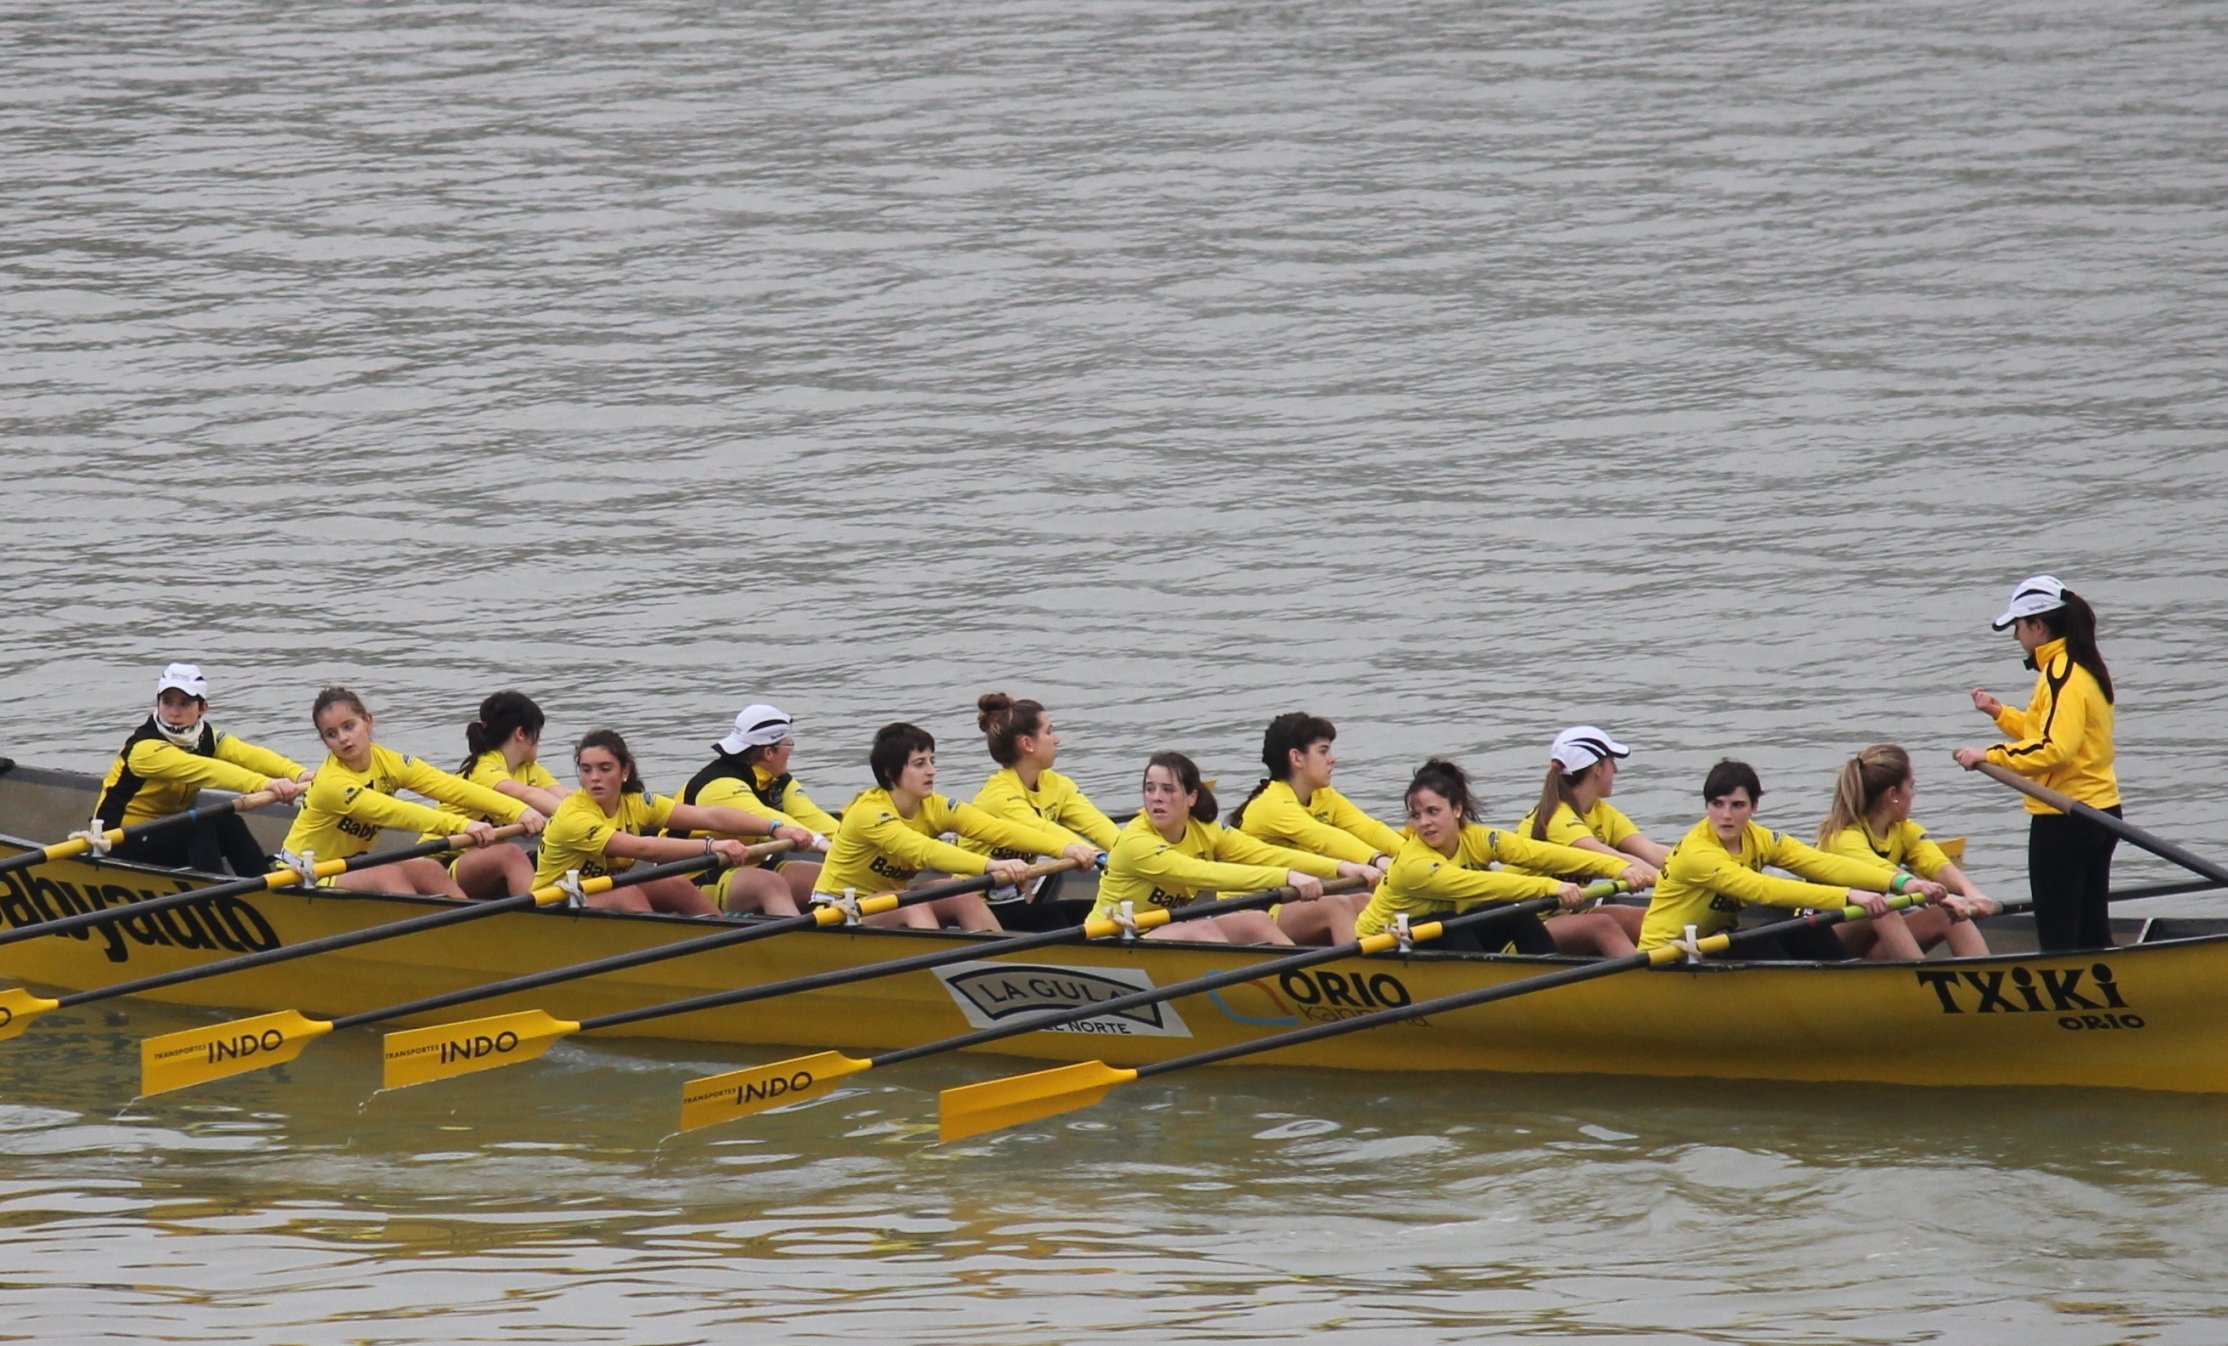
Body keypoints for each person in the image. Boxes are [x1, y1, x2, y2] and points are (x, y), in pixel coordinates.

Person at [1953, 575, 2120, 952]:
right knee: (2092, 932)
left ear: (2039, 626)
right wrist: (2000, 714)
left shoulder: (2062, 675)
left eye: (2018, 626)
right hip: (2101, 813)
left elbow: (2053, 750)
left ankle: (2065, 1004)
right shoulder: (2080, 666)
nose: (2016, 636)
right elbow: (2048, 731)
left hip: (2066, 819)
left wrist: (1988, 754)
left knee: (2059, 935)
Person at [1638, 759, 1945, 960]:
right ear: (1706, 806)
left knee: (1803, 928)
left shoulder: (1761, 838)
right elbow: (1764, 889)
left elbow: (1821, 863)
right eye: (1717, 804)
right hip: (1665, 957)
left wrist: (1902, 881)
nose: (1726, 815)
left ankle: (1846, 984)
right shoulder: (1698, 852)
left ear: (1754, 807)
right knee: (1756, 940)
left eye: (1737, 805)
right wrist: (1849, 895)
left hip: (1710, 944)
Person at [813, 722, 1101, 932]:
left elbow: (996, 829)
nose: (931, 771)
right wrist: (990, 866)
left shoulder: (935, 806)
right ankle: (939, 983)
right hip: (837, 907)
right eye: (919, 764)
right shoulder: (869, 813)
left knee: (962, 893)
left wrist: (1065, 848)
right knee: (912, 904)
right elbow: (925, 851)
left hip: (882, 901)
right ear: (890, 773)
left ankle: (1004, 969)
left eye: (932, 761)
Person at [1357, 759, 1649, 955]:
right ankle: (1490, 994)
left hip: (1431, 931)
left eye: (1433, 812)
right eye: (1416, 816)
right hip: (1380, 945)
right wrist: (1551, 887)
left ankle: (1550, 983)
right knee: (1452, 921)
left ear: (1457, 810)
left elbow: (1543, 854)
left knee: (1515, 912)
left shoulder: (1477, 838)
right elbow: (1483, 884)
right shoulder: (1414, 865)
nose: (1424, 823)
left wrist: (1618, 867)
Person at [282, 685, 544, 897]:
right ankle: (428, 946)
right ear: (324, 740)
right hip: (306, 871)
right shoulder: (332, 783)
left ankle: (476, 938)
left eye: (349, 726)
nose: (343, 738)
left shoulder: (390, 762)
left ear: (368, 722)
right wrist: (462, 825)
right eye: (331, 734)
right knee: (389, 876)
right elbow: (399, 813)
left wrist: (519, 810)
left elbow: (449, 787)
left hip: (352, 861)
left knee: (429, 869)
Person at [1094, 752, 1381, 945]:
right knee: (1204, 929)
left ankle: (1306, 989)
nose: (1156, 799)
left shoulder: (1206, 831)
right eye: (1149, 789)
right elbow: (1204, 874)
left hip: (1161, 928)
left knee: (1256, 921)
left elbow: (1264, 854)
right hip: (1114, 938)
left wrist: (1342, 867)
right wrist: (1286, 878)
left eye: (1168, 790)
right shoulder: (1136, 842)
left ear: (1191, 797)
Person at [533, 729, 817, 916]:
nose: (594, 777)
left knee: (675, 885)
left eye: (604, 768)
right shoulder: (575, 815)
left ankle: (721, 944)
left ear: (624, 772)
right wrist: (711, 846)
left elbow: (710, 815)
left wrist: (775, 827)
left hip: (599, 890)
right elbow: (644, 849)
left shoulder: (636, 802)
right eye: (586, 770)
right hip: (553, 903)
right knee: (628, 894)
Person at [95, 662, 312, 875]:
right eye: (167, 702)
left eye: (184, 703)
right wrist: (266, 784)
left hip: (164, 832)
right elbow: (208, 770)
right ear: (157, 703)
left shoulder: (204, 737)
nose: (174, 712)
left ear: (202, 708)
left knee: (229, 823)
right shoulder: (145, 749)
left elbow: (247, 754)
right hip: (118, 840)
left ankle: (265, 885)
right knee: (199, 827)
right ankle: (220, 895)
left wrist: (299, 773)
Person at [1229, 712, 1402, 942]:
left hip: (1294, 897)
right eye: (1323, 751)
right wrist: (1377, 859)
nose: (1332, 759)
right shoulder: (1270, 805)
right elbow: (1323, 837)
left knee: (1366, 901)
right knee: (1337, 907)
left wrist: (1413, 855)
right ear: (1297, 758)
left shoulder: (1323, 795)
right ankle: (1360, 972)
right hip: (1250, 908)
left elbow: (1370, 829)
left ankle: (1398, 964)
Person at [1819, 745, 1998, 959]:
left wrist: (1973, 895)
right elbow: (1883, 873)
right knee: (1881, 905)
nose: (1913, 793)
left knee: (1946, 915)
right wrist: (1931, 892)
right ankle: (1921, 984)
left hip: (1869, 939)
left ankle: (1984, 978)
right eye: (1911, 786)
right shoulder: (1842, 837)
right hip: (1822, 940)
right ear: (1893, 794)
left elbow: (1937, 865)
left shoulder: (1903, 829)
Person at [1511, 725, 1669, 945]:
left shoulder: (1601, 812)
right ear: (1597, 769)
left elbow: (1653, 852)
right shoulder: (1557, 818)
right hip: (1520, 924)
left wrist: (1709, 868)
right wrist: (1674, 885)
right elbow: (1614, 861)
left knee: (1654, 919)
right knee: (1602, 926)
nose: (1616, 770)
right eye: (1612, 762)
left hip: (1563, 914)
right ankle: (1641, 978)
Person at [672, 704, 829, 909]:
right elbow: (769, 819)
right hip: (691, 877)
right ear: (768, 753)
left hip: (748, 866)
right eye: (788, 746)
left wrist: (849, 842)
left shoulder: (777, 780)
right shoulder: (719, 786)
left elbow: (811, 817)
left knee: (824, 878)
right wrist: (821, 843)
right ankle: (793, 939)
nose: (790, 752)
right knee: (769, 884)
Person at [435, 690, 568, 900]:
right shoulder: (483, 768)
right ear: (521, 734)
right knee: (511, 854)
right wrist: (581, 822)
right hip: (444, 863)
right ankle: (544, 920)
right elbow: (525, 794)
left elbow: (566, 798)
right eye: (538, 733)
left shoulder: (530, 769)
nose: (540, 741)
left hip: (485, 860)